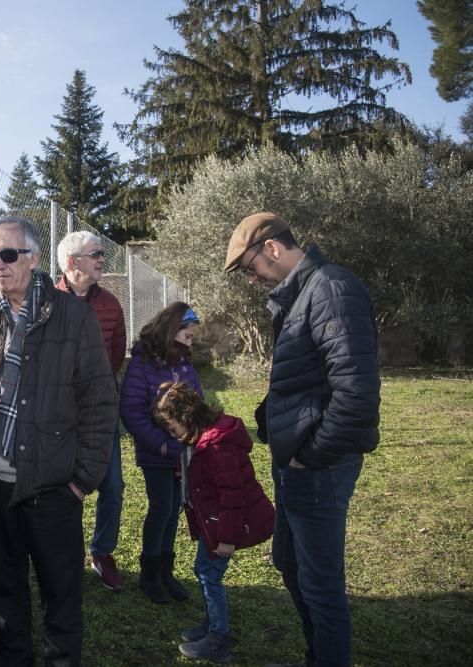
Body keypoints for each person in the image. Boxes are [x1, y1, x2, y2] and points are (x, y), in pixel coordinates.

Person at [0, 214, 117, 666]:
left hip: (53, 487)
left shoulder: (72, 314)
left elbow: (99, 401)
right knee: (5, 594)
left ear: (34, 259)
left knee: (62, 597)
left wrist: (82, 481)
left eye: (7, 254)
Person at [224, 212, 380, 667]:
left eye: (249, 267)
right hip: (298, 460)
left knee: (321, 585)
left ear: (272, 248)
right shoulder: (302, 295)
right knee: (291, 564)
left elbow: (356, 397)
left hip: (318, 465)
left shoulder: (331, 289)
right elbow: (308, 377)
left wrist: (308, 457)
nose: (251, 280)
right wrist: (273, 415)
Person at [153, 381, 275, 663]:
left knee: (209, 575)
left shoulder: (218, 449)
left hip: (224, 527)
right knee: (203, 570)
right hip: (215, 523)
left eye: (173, 429)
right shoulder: (200, 441)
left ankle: (219, 638)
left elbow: (234, 496)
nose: (173, 436)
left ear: (186, 418)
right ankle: (211, 627)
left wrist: (228, 539)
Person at [55, 230, 127, 591]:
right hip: (59, 417)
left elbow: (116, 357)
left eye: (102, 253)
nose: (103, 259)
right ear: (73, 262)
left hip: (101, 413)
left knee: (113, 486)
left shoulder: (112, 304)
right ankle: (65, 554)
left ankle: (102, 552)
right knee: (62, 487)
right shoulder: (45, 301)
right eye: (96, 253)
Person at [119, 301, 203, 603]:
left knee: (175, 510)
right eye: (188, 336)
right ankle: (150, 575)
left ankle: (166, 572)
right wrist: (162, 443)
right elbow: (131, 410)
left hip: (182, 450)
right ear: (172, 331)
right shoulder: (143, 364)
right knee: (161, 509)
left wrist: (197, 430)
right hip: (158, 451)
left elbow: (197, 398)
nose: (191, 343)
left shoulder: (183, 361)